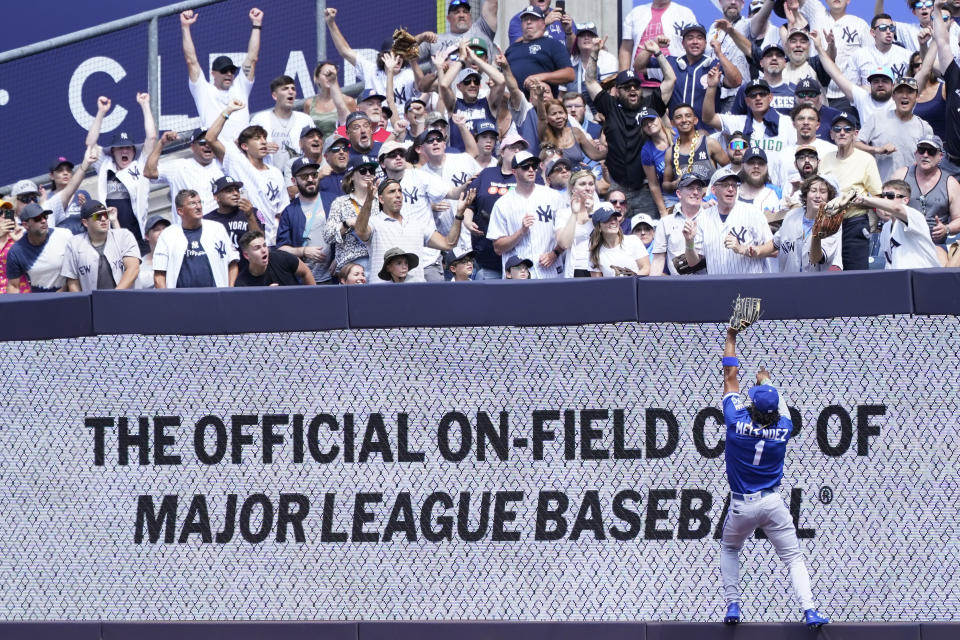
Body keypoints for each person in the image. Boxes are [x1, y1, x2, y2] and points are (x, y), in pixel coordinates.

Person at [719, 321, 830, 629]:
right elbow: (779, 408)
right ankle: (809, 610)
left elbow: (730, 376)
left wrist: (731, 336)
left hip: (742, 505)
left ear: (752, 403)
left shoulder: (735, 419)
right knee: (793, 557)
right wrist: (770, 384)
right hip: (772, 504)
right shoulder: (784, 427)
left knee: (730, 547)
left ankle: (733, 605)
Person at [353, 179, 473, 283]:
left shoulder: (417, 224)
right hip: (383, 292)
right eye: (392, 191)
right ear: (381, 199)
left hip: (415, 291)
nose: (398, 195)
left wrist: (459, 214)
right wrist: (369, 199)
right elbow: (360, 231)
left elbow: (448, 243)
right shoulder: (374, 222)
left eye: (400, 191)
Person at [205, 99, 287, 245]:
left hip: (273, 241)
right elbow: (210, 138)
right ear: (244, 146)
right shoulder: (236, 162)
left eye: (264, 138)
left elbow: (282, 210)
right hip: (245, 236)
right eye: (257, 139)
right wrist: (228, 110)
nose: (263, 142)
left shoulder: (275, 172)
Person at [87, 93, 158, 253]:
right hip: (110, 236)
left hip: (138, 236)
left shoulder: (140, 165)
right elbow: (90, 144)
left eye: (128, 147)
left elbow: (152, 138)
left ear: (134, 150)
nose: (124, 150)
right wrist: (101, 113)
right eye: (120, 148)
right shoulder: (105, 165)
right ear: (113, 151)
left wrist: (145, 105)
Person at [702, 71, 797, 189]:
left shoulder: (787, 123)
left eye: (762, 94)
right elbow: (708, 118)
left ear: (770, 97)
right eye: (753, 95)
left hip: (779, 187)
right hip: (745, 189)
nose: (758, 98)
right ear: (747, 101)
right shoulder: (738, 122)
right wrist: (711, 87)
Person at [180, 8, 262, 143]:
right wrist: (185, 27)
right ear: (213, 74)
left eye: (232, 71)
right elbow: (191, 60)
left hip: (243, 151)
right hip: (216, 152)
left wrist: (256, 24)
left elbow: (252, 58)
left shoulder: (240, 87)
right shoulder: (203, 90)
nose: (229, 74)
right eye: (224, 71)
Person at [487, 151, 567, 279]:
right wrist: (521, 232)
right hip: (518, 278)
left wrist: (555, 253)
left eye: (534, 166)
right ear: (514, 171)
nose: (531, 170)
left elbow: (566, 235)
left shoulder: (554, 197)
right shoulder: (502, 204)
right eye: (525, 166)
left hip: (550, 272)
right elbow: (498, 248)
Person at [818, 111, 882, 270]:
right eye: (837, 129)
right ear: (831, 134)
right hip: (828, 225)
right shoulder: (825, 158)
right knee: (827, 273)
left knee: (856, 274)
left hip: (854, 223)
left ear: (855, 133)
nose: (842, 132)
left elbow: (877, 196)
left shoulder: (866, 159)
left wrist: (859, 201)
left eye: (847, 129)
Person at [635, 23, 742, 117]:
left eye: (699, 38)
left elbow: (736, 81)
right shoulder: (669, 63)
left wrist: (719, 54)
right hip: (676, 133)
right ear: (683, 43)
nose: (695, 42)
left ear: (705, 43)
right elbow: (639, 67)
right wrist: (653, 46)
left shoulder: (714, 65)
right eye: (690, 38)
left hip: (707, 133)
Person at [463, 132, 529, 280]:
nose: (518, 151)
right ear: (502, 151)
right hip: (487, 251)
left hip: (520, 253)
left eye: (521, 148)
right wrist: (467, 221)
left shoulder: (529, 176)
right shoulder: (486, 174)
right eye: (513, 147)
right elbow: (470, 203)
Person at [750, 174, 843, 271]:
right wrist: (758, 250)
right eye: (813, 190)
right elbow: (776, 243)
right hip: (789, 281)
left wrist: (816, 236)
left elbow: (816, 258)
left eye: (823, 192)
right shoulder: (792, 215)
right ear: (806, 194)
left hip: (817, 283)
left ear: (829, 197)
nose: (818, 196)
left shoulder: (832, 222)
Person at [692, 165, 773, 275]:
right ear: (714, 190)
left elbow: (774, 248)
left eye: (734, 185)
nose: (731, 189)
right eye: (725, 185)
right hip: (718, 287)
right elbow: (693, 262)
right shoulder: (703, 218)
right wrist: (688, 242)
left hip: (750, 286)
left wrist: (743, 249)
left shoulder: (753, 213)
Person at [890, 135, 960, 257]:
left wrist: (946, 229)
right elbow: (884, 207)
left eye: (931, 151)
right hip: (903, 243)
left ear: (940, 157)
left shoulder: (951, 183)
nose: (925, 155)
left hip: (935, 246)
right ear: (916, 153)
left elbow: (958, 219)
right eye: (922, 150)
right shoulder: (901, 176)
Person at [153, 189, 239, 288]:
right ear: (180, 211)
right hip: (180, 299)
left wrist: (230, 288)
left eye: (199, 202)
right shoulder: (168, 234)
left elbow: (232, 262)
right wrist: (166, 300)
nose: (198, 207)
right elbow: (159, 274)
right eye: (192, 203)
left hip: (216, 297)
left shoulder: (217, 229)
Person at [858, 76, 934, 181]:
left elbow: (932, 158)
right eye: (900, 92)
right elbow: (856, 144)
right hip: (882, 189)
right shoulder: (876, 118)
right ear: (893, 96)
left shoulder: (924, 127)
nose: (905, 96)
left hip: (911, 190)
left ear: (917, 96)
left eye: (910, 92)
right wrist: (876, 150)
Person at [275, 157, 336, 284]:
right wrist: (303, 251)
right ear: (293, 180)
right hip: (304, 280)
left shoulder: (334, 201)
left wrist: (340, 257)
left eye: (314, 175)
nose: (310, 179)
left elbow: (348, 234)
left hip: (333, 277)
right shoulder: (289, 211)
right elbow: (281, 249)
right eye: (304, 176)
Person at [144, 129, 225, 219]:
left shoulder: (224, 165)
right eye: (202, 142)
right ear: (192, 147)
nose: (207, 145)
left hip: (215, 227)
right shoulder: (178, 166)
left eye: (210, 142)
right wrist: (161, 143)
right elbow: (149, 172)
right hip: (185, 230)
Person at [61, 200, 140, 291]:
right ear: (85, 222)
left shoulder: (124, 235)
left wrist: (115, 295)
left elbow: (133, 268)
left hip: (126, 301)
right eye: (97, 216)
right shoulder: (74, 244)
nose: (103, 219)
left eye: (105, 214)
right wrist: (83, 304)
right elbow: (73, 282)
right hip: (93, 303)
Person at [863, 179, 942, 268]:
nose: (885, 200)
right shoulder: (886, 227)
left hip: (927, 276)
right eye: (883, 196)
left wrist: (862, 199)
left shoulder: (915, 215)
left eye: (890, 196)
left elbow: (896, 208)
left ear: (905, 200)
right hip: (903, 278)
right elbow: (889, 264)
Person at [324, 153, 381, 275]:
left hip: (377, 262)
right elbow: (328, 236)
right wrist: (347, 223)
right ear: (352, 176)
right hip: (351, 265)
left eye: (371, 171)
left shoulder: (381, 201)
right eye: (362, 171)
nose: (368, 174)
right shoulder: (340, 203)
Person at [504, 5, 575, 96]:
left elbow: (569, 74)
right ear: (521, 24)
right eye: (525, 19)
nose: (529, 22)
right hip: (514, 103)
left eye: (533, 19)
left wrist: (540, 77)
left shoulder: (553, 44)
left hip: (543, 102)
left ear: (542, 23)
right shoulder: (512, 49)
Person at [250, 75, 316, 171]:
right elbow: (246, 146)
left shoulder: (305, 119)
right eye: (285, 89)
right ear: (274, 96)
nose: (291, 92)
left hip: (299, 175)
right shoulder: (259, 119)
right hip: (270, 174)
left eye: (293, 89)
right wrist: (262, 147)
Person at [662, 103, 729, 194]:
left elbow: (730, 169)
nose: (684, 120)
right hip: (687, 203)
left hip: (711, 201)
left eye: (688, 116)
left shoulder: (709, 143)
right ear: (672, 123)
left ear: (695, 120)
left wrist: (714, 188)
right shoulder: (670, 152)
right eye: (678, 117)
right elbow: (665, 184)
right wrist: (675, 184)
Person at [651, 172, 709, 276]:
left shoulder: (711, 218)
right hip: (677, 284)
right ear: (678, 193)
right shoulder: (665, 222)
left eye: (699, 188)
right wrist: (649, 287)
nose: (696, 192)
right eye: (690, 188)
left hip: (707, 282)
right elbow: (658, 260)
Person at [5, 204, 72, 293]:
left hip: (69, 297)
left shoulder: (65, 235)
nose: (43, 220)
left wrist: (65, 288)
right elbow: (13, 286)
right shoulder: (16, 252)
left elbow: (78, 269)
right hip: (39, 302)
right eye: (37, 218)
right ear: (25, 225)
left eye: (45, 216)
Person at [619, 0, 697, 69]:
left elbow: (694, 47)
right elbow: (626, 49)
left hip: (675, 79)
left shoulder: (686, 14)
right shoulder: (635, 13)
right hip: (638, 80)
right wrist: (624, 80)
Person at [204, 176, 262, 262]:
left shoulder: (252, 211)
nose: (235, 193)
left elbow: (260, 241)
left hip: (249, 268)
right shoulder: (207, 220)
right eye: (229, 191)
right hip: (223, 267)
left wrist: (250, 216)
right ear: (216, 197)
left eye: (236, 190)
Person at [555, 169, 599, 277]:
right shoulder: (563, 213)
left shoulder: (604, 208)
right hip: (576, 268)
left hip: (600, 268)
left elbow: (607, 238)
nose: (588, 188)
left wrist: (592, 213)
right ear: (572, 188)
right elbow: (564, 244)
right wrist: (574, 213)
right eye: (582, 184)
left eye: (591, 184)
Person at [43, 149, 98, 235]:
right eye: (60, 170)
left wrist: (87, 210)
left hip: (83, 241)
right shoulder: (48, 199)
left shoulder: (83, 194)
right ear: (52, 176)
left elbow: (95, 219)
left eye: (68, 170)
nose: (65, 173)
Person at [587, 205, 651, 277]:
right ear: (599, 227)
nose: (613, 222)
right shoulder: (595, 252)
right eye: (607, 220)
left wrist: (630, 280)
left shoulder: (633, 241)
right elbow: (597, 283)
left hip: (634, 286)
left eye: (615, 218)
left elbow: (646, 268)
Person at [235, 229, 315, 286]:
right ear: (246, 255)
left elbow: (306, 272)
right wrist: (268, 295)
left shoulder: (282, 258)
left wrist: (312, 299)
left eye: (264, 245)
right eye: (257, 248)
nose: (263, 250)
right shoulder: (242, 283)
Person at [850, 14, 913, 84]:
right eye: (883, 28)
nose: (888, 32)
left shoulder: (907, 56)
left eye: (891, 28)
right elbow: (853, 88)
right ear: (873, 32)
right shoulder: (859, 55)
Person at [303, 61, 356, 139]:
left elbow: (354, 130)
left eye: (332, 75)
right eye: (326, 74)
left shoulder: (348, 101)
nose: (329, 78)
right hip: (317, 149)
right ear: (316, 79)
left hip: (340, 149)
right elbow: (306, 133)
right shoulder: (309, 104)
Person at [137, 215, 171, 289]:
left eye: (165, 229)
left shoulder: (179, 256)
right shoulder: (140, 265)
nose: (162, 232)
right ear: (147, 236)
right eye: (157, 230)